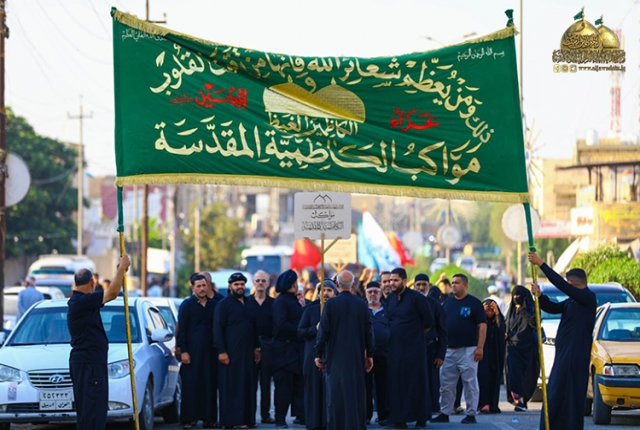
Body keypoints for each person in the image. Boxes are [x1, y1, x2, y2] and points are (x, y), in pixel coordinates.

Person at [529, 252, 596, 430]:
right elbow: (553, 307)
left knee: (570, 396)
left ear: (571, 283)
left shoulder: (587, 298)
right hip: (564, 355)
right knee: (555, 394)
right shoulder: (571, 301)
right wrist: (540, 296)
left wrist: (541, 263)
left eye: (568, 284)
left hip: (575, 357)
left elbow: (560, 284)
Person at [67, 255, 130, 430]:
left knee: (90, 412)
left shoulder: (81, 302)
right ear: (92, 283)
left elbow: (111, 291)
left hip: (87, 363)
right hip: (89, 364)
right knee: (93, 412)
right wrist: (121, 269)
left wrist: (120, 272)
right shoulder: (82, 301)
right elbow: (112, 293)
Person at [315, 270, 374, 430]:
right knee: (354, 394)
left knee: (336, 395)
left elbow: (323, 331)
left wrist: (318, 353)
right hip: (355, 357)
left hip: (335, 357)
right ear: (353, 284)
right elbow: (369, 331)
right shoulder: (361, 304)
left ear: (337, 284)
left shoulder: (331, 304)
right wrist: (369, 354)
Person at [432, 274, 487, 425]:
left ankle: (471, 414)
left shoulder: (474, 303)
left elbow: (482, 326)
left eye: (457, 283)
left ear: (465, 285)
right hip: (449, 350)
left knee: (470, 384)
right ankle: (445, 412)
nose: (454, 285)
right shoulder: (448, 303)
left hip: (468, 350)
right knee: (446, 384)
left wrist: (480, 347)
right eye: (453, 283)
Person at [385, 268, 433, 429]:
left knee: (417, 382)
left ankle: (421, 419)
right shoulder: (390, 299)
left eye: (395, 280)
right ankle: (399, 420)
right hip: (395, 349)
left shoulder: (416, 298)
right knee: (397, 382)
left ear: (404, 281)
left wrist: (414, 334)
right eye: (390, 280)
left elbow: (428, 321)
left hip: (414, 349)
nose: (392, 283)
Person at [214, 272, 260, 429]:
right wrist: (221, 351)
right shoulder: (223, 305)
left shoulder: (249, 303)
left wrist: (256, 349)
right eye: (236, 284)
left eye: (242, 284)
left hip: (248, 354)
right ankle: (232, 421)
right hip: (230, 353)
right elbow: (217, 329)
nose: (240, 287)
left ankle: (247, 419)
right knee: (232, 387)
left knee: (248, 386)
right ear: (230, 286)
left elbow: (254, 328)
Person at [178, 273, 217, 429]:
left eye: (204, 285)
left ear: (208, 286)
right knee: (191, 385)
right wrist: (184, 351)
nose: (202, 289)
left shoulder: (214, 305)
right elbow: (182, 330)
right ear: (193, 287)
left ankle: (209, 419)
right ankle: (188, 419)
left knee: (209, 385)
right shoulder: (186, 305)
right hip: (192, 353)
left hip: (210, 353)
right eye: (198, 286)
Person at [298, 279, 338, 430]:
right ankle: (314, 423)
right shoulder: (310, 310)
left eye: (329, 290)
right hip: (312, 354)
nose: (325, 293)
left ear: (335, 293)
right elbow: (300, 332)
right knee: (314, 390)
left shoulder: (338, 309)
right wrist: (315, 329)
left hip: (333, 355)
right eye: (323, 290)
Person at [272, 269, 305, 429]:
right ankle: (280, 418)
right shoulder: (281, 301)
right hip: (284, 350)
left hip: (296, 349)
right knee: (284, 386)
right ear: (292, 284)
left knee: (298, 385)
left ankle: (300, 415)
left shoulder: (292, 300)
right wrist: (301, 330)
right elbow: (282, 324)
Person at [246, 270, 276, 424]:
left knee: (266, 382)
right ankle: (249, 414)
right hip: (249, 346)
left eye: (263, 281)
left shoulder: (273, 303)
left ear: (268, 283)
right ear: (253, 282)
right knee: (250, 382)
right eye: (258, 280)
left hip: (267, 345)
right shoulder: (246, 302)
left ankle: (265, 414)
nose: (260, 283)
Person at [416, 274, 448, 416]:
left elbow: (442, 331)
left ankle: (432, 408)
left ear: (429, 286)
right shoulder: (408, 302)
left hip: (430, 348)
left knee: (432, 380)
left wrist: (441, 354)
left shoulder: (435, 305)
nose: (421, 287)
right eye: (418, 285)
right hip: (412, 348)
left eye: (424, 284)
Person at [504, 285, 538, 412]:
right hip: (512, 347)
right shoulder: (511, 311)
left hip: (528, 347)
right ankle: (518, 400)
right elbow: (506, 324)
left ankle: (523, 400)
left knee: (527, 375)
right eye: (514, 295)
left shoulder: (531, 308)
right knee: (513, 374)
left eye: (519, 296)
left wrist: (524, 311)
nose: (516, 298)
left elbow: (535, 322)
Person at [364, 281, 390, 425]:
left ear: (380, 293)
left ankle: (383, 415)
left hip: (383, 354)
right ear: (366, 293)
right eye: (370, 292)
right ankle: (366, 416)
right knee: (365, 386)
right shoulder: (362, 309)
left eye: (375, 291)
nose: (373, 294)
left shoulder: (387, 309)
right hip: (365, 355)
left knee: (383, 386)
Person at [477, 299, 506, 414]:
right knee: (483, 378)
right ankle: (484, 404)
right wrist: (481, 312)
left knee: (495, 379)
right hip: (483, 354)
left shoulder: (497, 320)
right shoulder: (480, 321)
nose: (489, 313)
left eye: (491, 311)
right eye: (487, 311)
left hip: (495, 354)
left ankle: (493, 404)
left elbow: (501, 328)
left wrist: (497, 313)